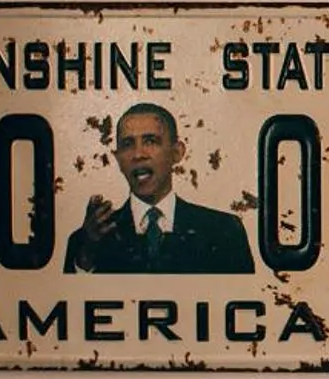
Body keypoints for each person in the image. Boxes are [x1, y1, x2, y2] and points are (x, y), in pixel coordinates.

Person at [62, 102, 253, 274]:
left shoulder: (224, 232)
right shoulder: (85, 241)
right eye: (128, 144)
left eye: (150, 141)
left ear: (177, 152)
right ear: (118, 158)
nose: (138, 154)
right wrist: (87, 254)